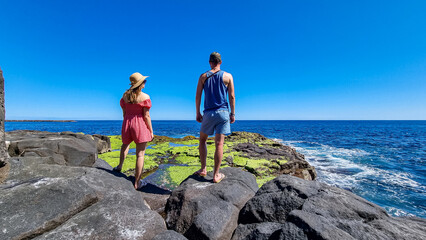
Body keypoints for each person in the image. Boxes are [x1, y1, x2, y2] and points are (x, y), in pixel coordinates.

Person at [195, 52, 235, 183]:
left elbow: (198, 97)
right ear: (220, 62)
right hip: (223, 112)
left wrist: (197, 113)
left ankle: (203, 169)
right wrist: (232, 114)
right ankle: (216, 175)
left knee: (202, 140)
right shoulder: (228, 76)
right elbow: (232, 96)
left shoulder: (203, 76)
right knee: (219, 144)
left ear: (210, 62)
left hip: (208, 113)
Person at [113, 72, 154, 190]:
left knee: (125, 145)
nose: (145, 83)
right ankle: (137, 182)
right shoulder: (145, 97)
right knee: (140, 155)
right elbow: (146, 116)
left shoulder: (125, 96)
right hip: (139, 124)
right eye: (144, 82)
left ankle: (120, 166)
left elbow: (124, 112)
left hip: (127, 122)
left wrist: (127, 121)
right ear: (140, 84)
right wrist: (151, 131)